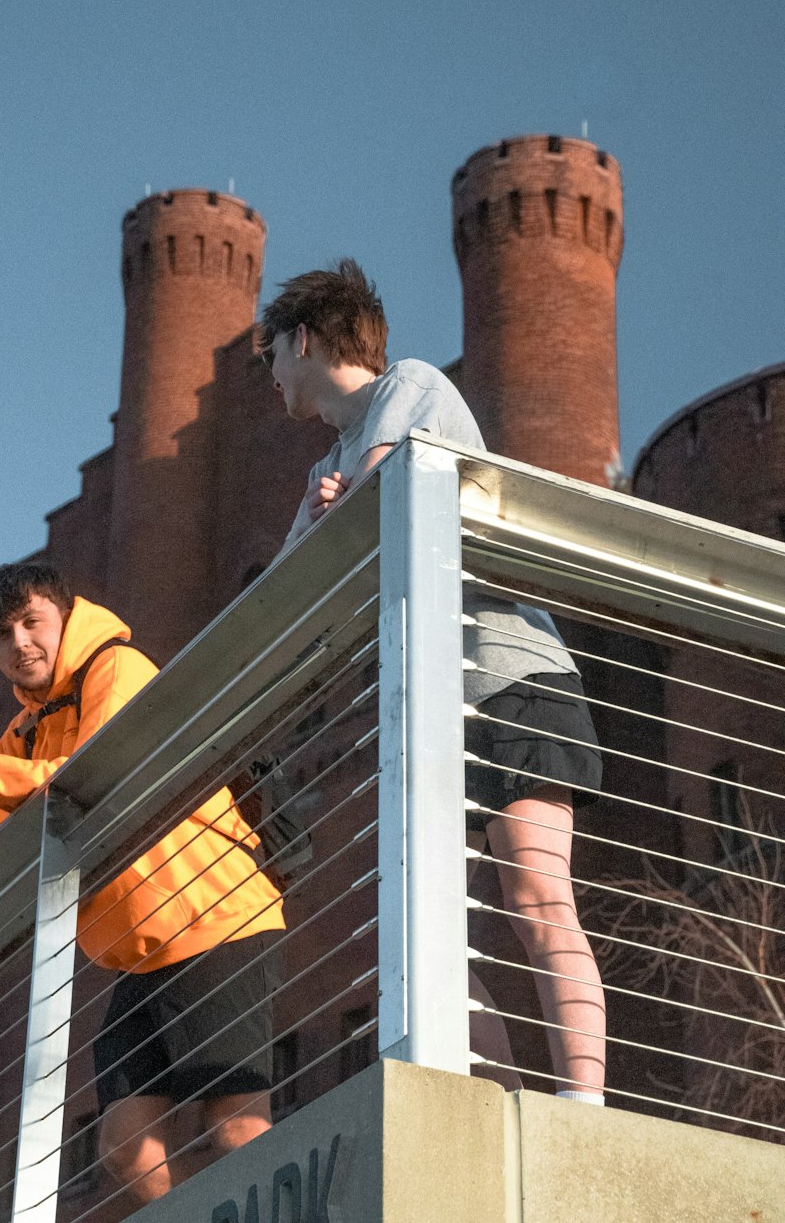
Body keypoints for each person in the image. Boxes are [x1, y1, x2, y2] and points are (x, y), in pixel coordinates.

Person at [260, 261, 605, 1103]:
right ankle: (508, 1107)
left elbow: (390, 489)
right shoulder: (323, 469)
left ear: (303, 339)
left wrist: (343, 508)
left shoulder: (409, 384)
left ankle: (584, 1107)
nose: (269, 375)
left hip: (509, 673)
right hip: (432, 710)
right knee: (423, 937)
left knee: (533, 888)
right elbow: (287, 589)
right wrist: (329, 512)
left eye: (269, 353)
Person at [0, 561, 285, 1203]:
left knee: (235, 1126)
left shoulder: (116, 668)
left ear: (63, 616)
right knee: (127, 1151)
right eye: (0, 636)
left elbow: (90, 779)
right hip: (139, 957)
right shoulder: (21, 733)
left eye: (30, 623)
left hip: (214, 917)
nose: (18, 644)